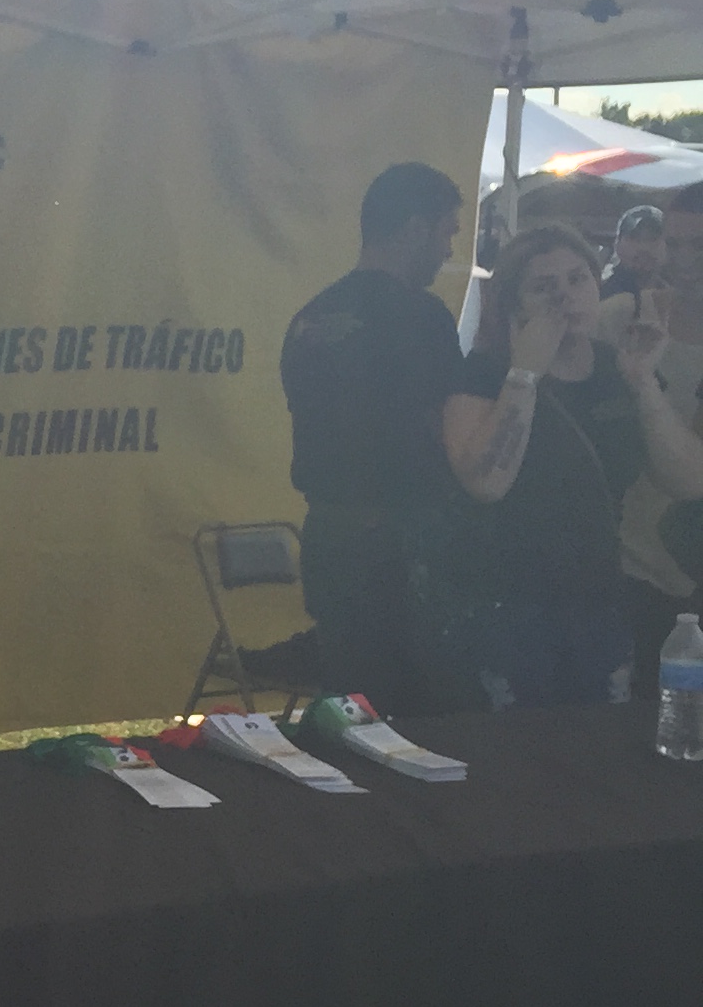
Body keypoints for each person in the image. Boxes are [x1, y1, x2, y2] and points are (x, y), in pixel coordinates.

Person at [420, 224, 703, 708]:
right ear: (515, 304)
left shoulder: (619, 368)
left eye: (578, 280)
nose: (565, 297)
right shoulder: (483, 373)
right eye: (543, 287)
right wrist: (525, 372)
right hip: (498, 609)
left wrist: (643, 385)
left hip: (597, 607)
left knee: (595, 758)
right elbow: (486, 482)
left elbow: (687, 481)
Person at [279, 161, 467, 715]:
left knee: (350, 708)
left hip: (331, 542)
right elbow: (448, 431)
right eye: (447, 232)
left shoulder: (310, 318)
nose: (447, 251)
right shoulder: (421, 317)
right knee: (416, 717)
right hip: (402, 547)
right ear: (414, 229)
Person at [603, 182, 703, 680]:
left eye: (698, 245)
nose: (682, 259)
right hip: (629, 564)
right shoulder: (626, 314)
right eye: (675, 242)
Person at [603, 202, 666, 304]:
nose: (644, 247)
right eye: (634, 238)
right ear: (617, 245)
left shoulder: (683, 296)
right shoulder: (598, 295)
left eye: (653, 239)